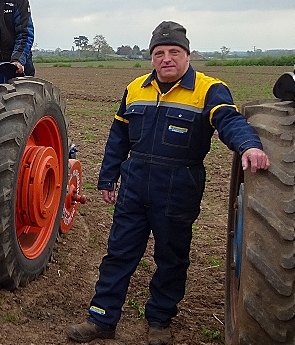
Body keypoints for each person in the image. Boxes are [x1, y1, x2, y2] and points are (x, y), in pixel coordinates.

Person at [66, 21, 270, 345]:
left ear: (187, 55)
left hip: (178, 188)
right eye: (159, 53)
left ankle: (159, 321)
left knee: (171, 258)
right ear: (151, 58)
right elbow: (118, 137)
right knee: (118, 254)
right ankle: (101, 318)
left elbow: (229, 120)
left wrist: (249, 144)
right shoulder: (135, 89)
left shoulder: (209, 89)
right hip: (134, 186)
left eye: (174, 51)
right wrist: (108, 177)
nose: (166, 59)